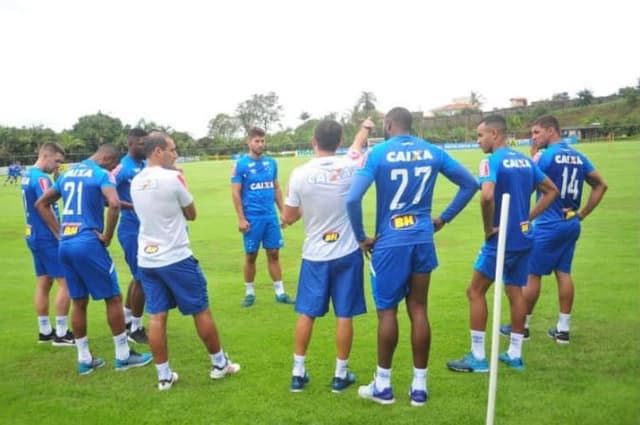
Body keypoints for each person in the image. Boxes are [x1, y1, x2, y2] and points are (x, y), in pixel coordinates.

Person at [346, 107, 478, 406]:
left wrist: (361, 237)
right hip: (421, 238)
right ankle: (419, 388)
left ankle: (383, 386)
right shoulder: (433, 151)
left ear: (389, 124)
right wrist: (443, 219)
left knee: (388, 312)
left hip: (390, 242)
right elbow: (470, 184)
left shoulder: (379, 153)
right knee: (418, 308)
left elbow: (353, 198)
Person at [446, 115, 558, 374]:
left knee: (474, 291)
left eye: (480, 135)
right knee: (515, 291)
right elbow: (551, 190)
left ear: (495, 134)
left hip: (501, 240)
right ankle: (515, 354)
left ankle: (477, 356)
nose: (478, 141)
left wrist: (488, 229)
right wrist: (528, 217)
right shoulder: (525, 160)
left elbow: (486, 196)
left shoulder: (490, 161)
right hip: (524, 237)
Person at [131, 132, 240, 391]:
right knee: (200, 309)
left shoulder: (136, 181)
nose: (175, 154)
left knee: (156, 317)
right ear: (158, 151)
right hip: (176, 257)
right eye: (172, 149)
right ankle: (219, 364)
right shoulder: (173, 178)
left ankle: (164, 377)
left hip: (147, 258)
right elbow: (191, 213)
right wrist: (182, 180)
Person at [35, 144, 152, 375]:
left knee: (79, 301)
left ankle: (84, 359)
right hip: (88, 242)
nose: (112, 169)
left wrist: (59, 232)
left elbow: (41, 204)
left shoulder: (68, 173)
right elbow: (114, 203)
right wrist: (107, 236)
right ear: (107, 159)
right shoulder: (101, 174)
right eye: (112, 165)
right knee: (114, 298)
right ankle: (123, 355)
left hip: (66, 245)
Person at [282, 118, 371, 393]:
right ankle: (339, 376)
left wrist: (300, 211)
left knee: (307, 313)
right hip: (347, 252)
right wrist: (366, 128)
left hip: (315, 255)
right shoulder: (351, 165)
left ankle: (298, 373)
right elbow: (357, 147)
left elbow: (288, 217)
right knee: (344, 314)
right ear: (339, 143)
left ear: (313, 142)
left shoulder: (299, 174)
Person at [499, 115, 607, 343]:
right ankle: (563, 329)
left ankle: (523, 327)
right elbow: (601, 185)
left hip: (548, 224)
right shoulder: (578, 156)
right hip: (570, 222)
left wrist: (523, 216)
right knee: (564, 272)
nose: (533, 137)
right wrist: (582, 214)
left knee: (533, 273)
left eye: (537, 133)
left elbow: (529, 180)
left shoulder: (545, 155)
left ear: (550, 131)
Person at [231, 126, 294, 307]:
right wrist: (241, 218)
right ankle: (249, 292)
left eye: (262, 141)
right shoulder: (240, 164)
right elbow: (236, 193)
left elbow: (276, 187)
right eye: (257, 141)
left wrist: (283, 211)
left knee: (274, 253)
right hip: (252, 218)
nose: (260, 144)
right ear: (249, 142)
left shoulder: (271, 163)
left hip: (270, 217)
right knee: (251, 255)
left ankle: (280, 292)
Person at [21, 143, 74, 345]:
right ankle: (61, 333)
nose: (57, 165)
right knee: (66, 282)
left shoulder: (28, 175)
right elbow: (46, 208)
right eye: (57, 160)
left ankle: (44, 330)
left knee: (44, 282)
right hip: (46, 237)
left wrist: (57, 181)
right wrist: (59, 234)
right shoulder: (41, 178)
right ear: (45, 155)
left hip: (32, 234)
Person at [112, 128, 149, 344]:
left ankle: (127, 317)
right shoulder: (122, 168)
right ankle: (136, 328)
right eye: (143, 144)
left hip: (145, 229)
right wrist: (132, 205)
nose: (146, 148)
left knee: (139, 276)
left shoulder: (143, 165)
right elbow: (106, 195)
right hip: (130, 229)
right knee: (143, 277)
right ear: (131, 144)